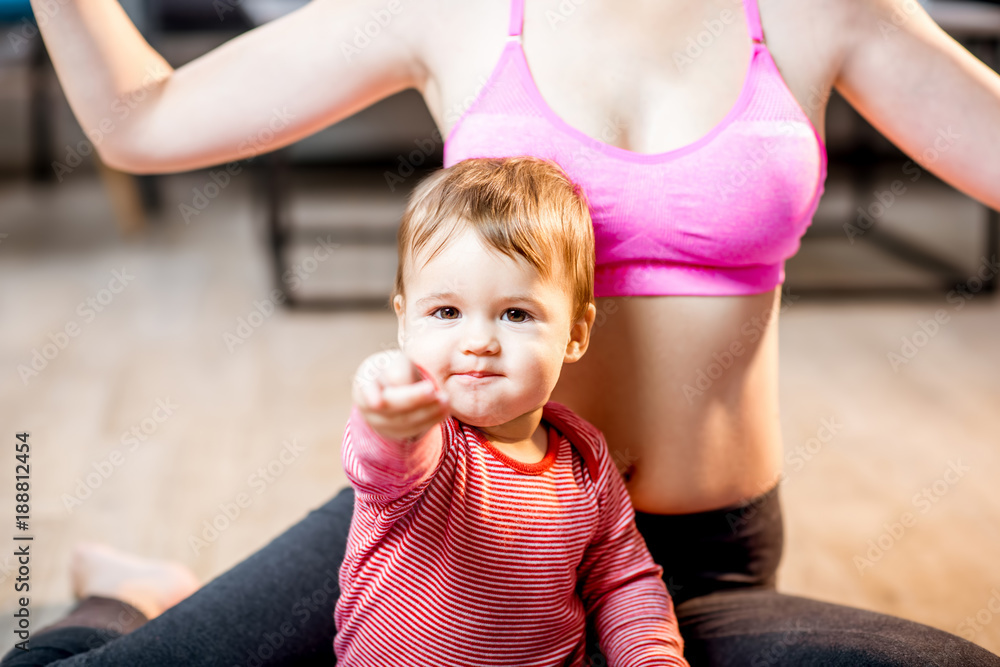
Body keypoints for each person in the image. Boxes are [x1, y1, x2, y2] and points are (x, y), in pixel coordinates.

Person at [8, 0, 1000, 664]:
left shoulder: (821, 8)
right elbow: (142, 118)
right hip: (448, 530)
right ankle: (131, 597)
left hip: (698, 561)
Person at [337, 156, 686, 665]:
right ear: (405, 323)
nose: (478, 342)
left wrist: (651, 657)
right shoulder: (431, 445)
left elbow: (621, 580)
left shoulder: (584, 460)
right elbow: (386, 455)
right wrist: (389, 408)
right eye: (447, 312)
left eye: (516, 314)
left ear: (576, 333)